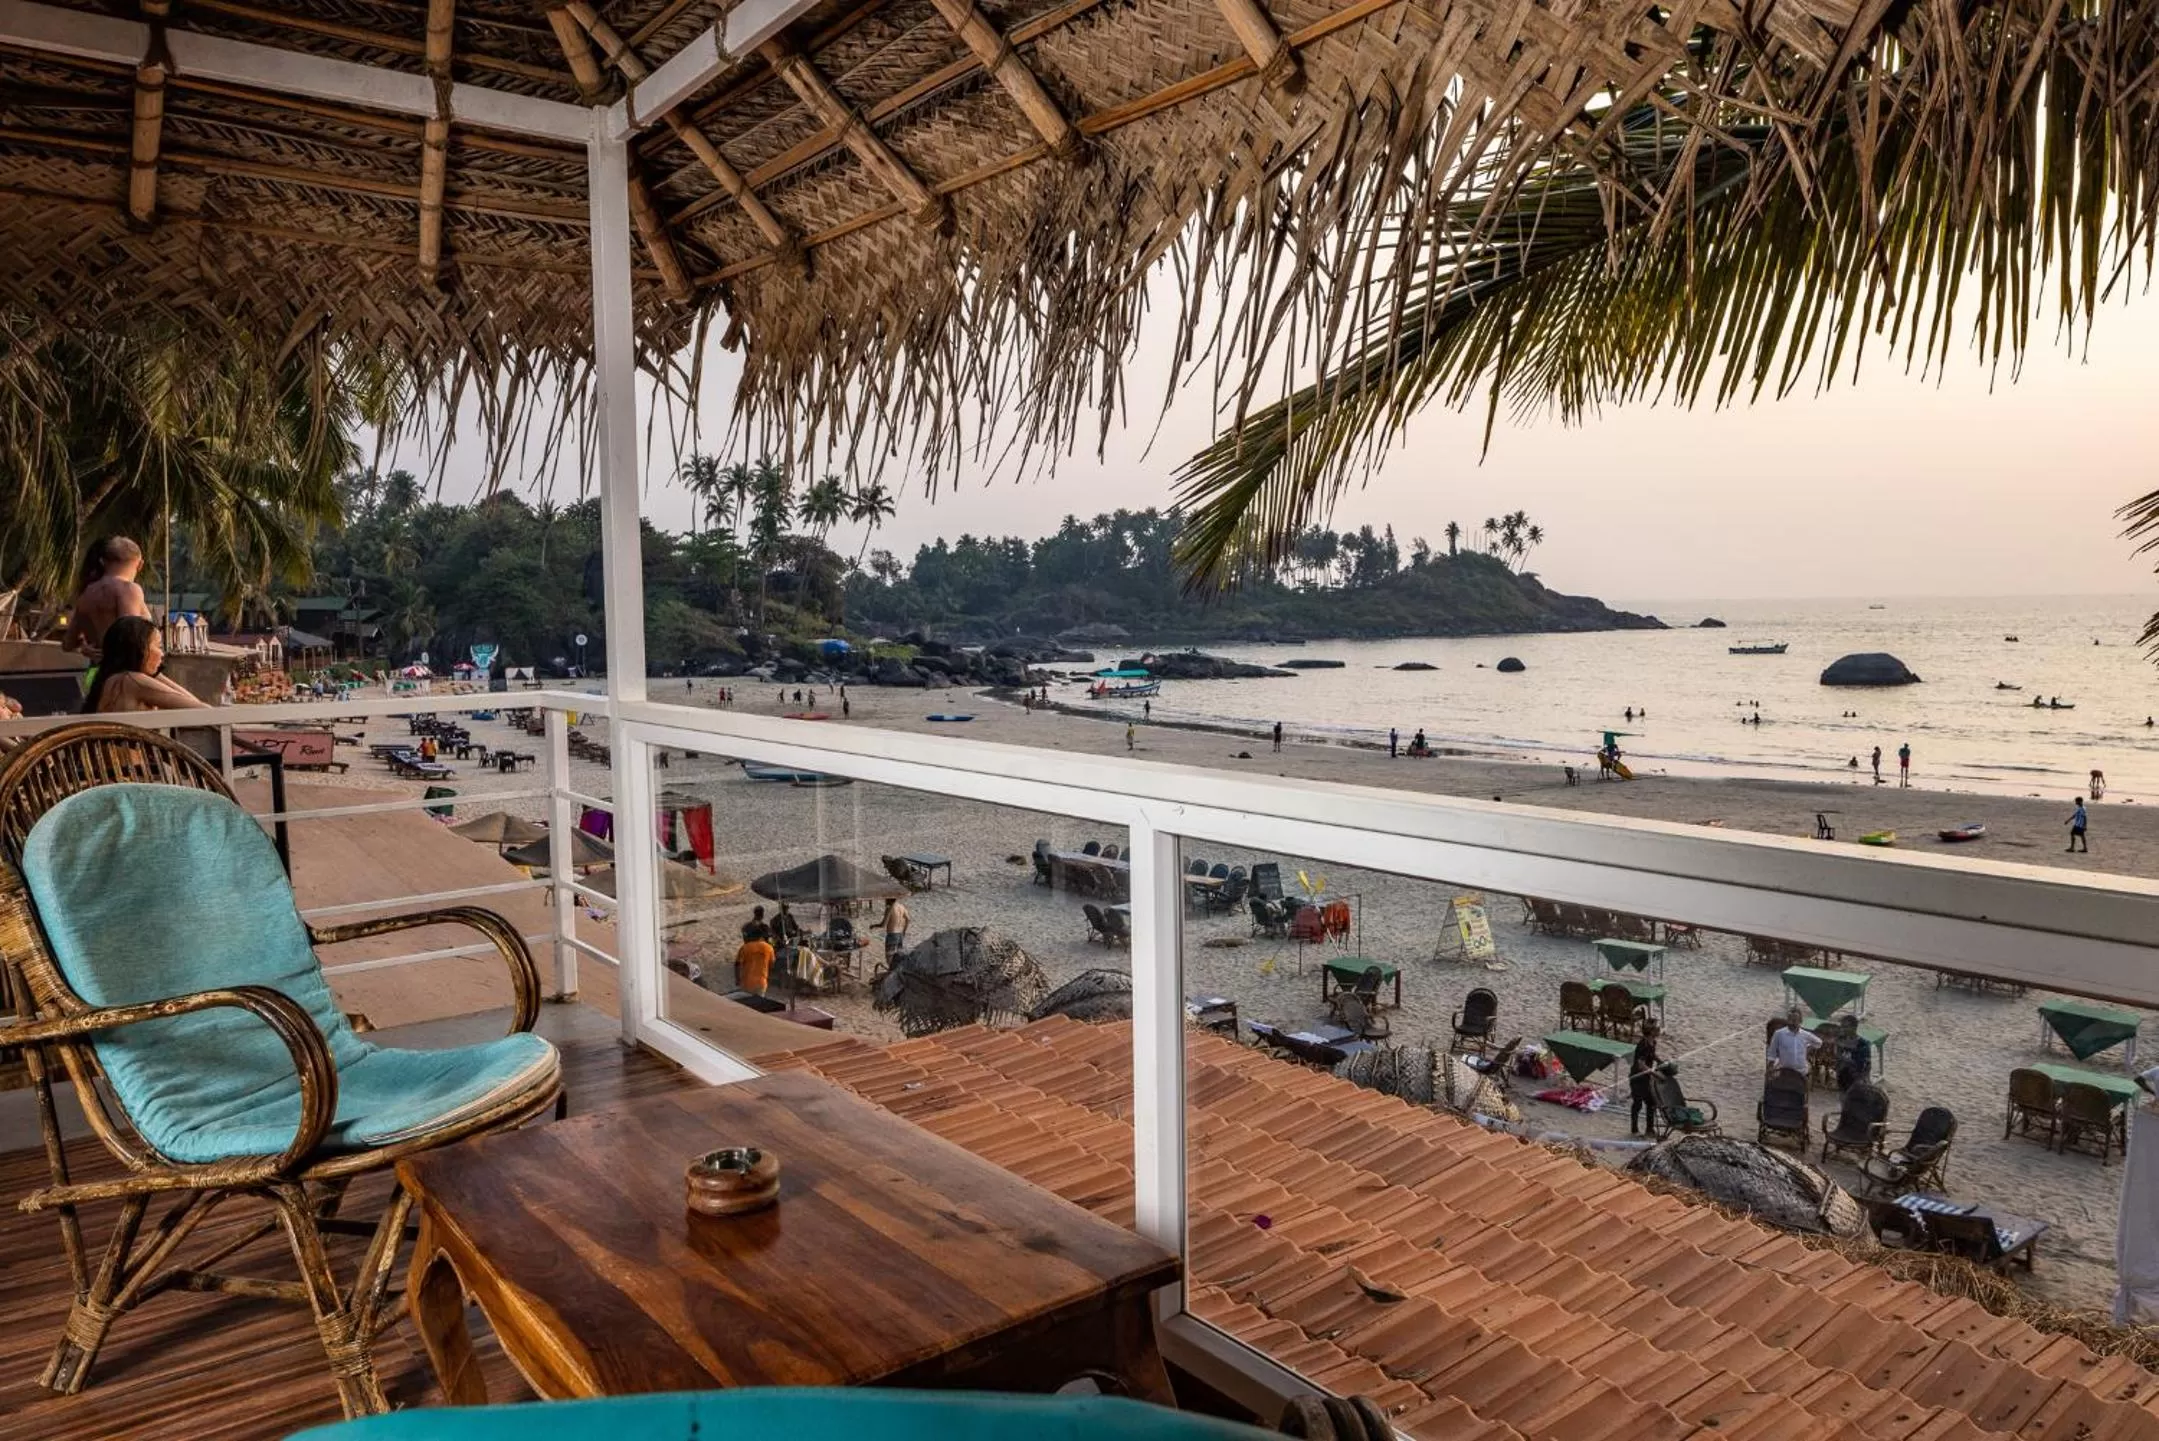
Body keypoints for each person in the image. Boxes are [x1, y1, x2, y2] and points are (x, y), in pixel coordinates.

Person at [79, 616, 208, 714]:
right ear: (139, 649)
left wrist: (153, 672)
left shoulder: (112, 680)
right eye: (158, 646)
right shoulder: (132, 681)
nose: (162, 654)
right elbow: (201, 709)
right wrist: (156, 674)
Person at [63, 536, 151, 662]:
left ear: (103, 562)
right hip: (123, 674)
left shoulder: (86, 593)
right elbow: (130, 640)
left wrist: (84, 647)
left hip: (95, 674)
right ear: (140, 564)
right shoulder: (129, 590)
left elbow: (67, 643)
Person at [1628, 1020, 1661, 1135]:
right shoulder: (1643, 1044)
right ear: (1651, 1031)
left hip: (1646, 1078)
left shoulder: (1653, 1042)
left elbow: (1652, 1055)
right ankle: (1634, 1128)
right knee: (1637, 1103)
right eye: (1657, 1028)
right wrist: (1654, 1074)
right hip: (1638, 1078)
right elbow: (1641, 1065)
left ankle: (1649, 1129)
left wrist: (1659, 1061)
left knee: (1651, 1103)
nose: (1659, 1029)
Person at [1767, 1008, 1821, 1077]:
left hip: (1801, 1072)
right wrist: (1770, 1068)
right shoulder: (1779, 1034)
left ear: (1800, 1021)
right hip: (1784, 1071)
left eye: (1794, 1020)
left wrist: (1808, 1048)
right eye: (1789, 1020)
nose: (1791, 1023)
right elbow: (1772, 1053)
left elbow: (1819, 1042)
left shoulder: (1805, 1034)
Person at [1834, 1016, 1872, 1091]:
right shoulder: (1840, 1040)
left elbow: (1865, 1066)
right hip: (1842, 1079)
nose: (1842, 1029)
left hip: (1857, 1081)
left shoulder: (1863, 1044)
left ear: (1854, 1027)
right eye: (1841, 1027)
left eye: (1845, 1027)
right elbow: (1837, 1057)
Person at [734, 930, 775, 995]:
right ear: (761, 937)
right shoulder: (769, 948)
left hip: (746, 982)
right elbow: (772, 965)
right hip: (761, 983)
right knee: (757, 1003)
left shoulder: (745, 947)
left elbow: (737, 964)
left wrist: (737, 979)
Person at [881, 895, 909, 959]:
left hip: (892, 934)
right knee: (899, 956)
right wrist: (904, 930)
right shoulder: (902, 906)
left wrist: (874, 926)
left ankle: (891, 968)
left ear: (888, 899)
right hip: (900, 934)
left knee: (890, 957)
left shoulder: (890, 908)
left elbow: (883, 925)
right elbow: (908, 919)